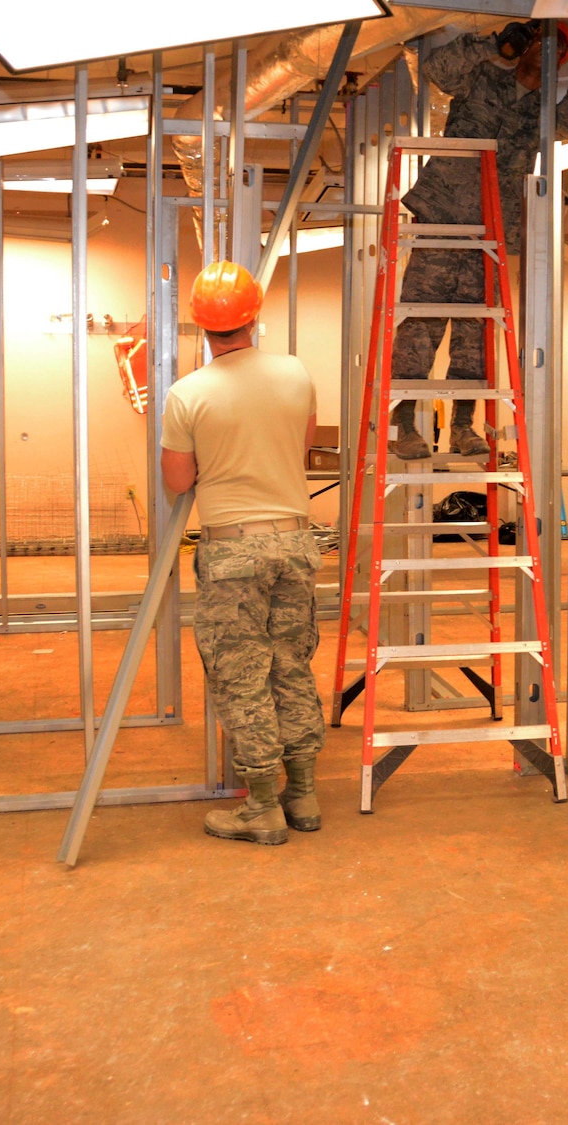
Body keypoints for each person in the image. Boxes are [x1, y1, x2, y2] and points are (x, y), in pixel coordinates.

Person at [160, 260, 324, 845]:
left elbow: (178, 482)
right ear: (254, 315)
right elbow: (300, 446)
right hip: (297, 540)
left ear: (200, 325)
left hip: (233, 549)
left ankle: (261, 806)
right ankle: (302, 793)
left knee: (241, 672)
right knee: (290, 662)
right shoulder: (295, 373)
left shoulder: (187, 393)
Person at [389, 19, 568, 461]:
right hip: (444, 217)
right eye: (539, 41)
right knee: (423, 321)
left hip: (491, 230)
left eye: (557, 48)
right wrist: (494, 44)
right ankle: (405, 424)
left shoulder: (543, 110)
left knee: (475, 332)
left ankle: (461, 427)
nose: (544, 51)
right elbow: (439, 68)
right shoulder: (483, 80)